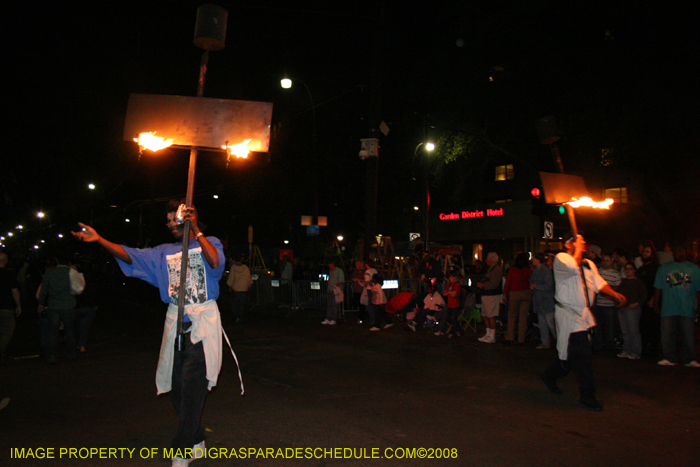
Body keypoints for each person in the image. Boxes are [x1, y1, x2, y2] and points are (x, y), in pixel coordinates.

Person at [73, 200, 226, 467]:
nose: (171, 225)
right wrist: (99, 239)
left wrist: (197, 231)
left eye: (176, 220)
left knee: (193, 384)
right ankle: (196, 435)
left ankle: (182, 449)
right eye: (168, 222)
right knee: (178, 386)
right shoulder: (162, 252)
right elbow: (129, 255)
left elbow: (215, 264)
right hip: (176, 323)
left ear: (190, 219)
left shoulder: (208, 242)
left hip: (203, 323)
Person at [540, 233, 626, 411]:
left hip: (582, 316)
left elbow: (599, 283)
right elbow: (573, 266)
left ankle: (549, 375)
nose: (583, 243)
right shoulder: (561, 259)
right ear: (568, 245)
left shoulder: (589, 264)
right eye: (578, 241)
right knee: (583, 356)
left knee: (570, 359)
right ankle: (587, 395)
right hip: (568, 316)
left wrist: (614, 294)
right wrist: (577, 247)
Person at [653, 245, 700, 367]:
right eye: (677, 251)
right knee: (667, 334)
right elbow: (658, 287)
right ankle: (669, 357)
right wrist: (656, 303)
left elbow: (697, 289)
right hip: (669, 307)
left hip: (687, 307)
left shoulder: (694, 269)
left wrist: (698, 305)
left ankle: (690, 359)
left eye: (681, 251)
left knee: (689, 335)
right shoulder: (664, 268)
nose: (679, 253)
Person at [37, 251, 77, 363]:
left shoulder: (50, 273)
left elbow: (44, 290)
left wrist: (41, 303)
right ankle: (71, 353)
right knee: (69, 330)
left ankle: (52, 355)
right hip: (68, 304)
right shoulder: (71, 272)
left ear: (57, 261)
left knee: (53, 332)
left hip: (54, 305)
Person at [615, 264, 648, 360]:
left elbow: (644, 295)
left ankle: (635, 352)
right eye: (626, 269)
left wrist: (637, 304)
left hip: (632, 309)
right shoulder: (623, 281)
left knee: (633, 331)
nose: (628, 271)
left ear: (634, 270)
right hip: (622, 308)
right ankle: (626, 350)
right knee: (625, 331)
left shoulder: (638, 282)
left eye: (630, 269)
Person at [592, 255, 621, 351]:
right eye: (603, 260)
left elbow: (617, 288)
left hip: (609, 305)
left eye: (607, 261)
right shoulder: (596, 272)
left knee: (610, 326)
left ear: (612, 262)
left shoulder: (615, 274)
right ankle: (598, 344)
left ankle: (609, 346)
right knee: (597, 326)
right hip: (597, 303)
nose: (605, 262)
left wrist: (607, 291)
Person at [503, 252, 532, 345]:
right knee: (523, 317)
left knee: (511, 316)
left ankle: (510, 337)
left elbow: (508, 282)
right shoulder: (529, 270)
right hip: (525, 292)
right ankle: (521, 339)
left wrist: (505, 294)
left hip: (514, 293)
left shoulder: (513, 270)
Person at [530, 252, 555, 349]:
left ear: (537, 259)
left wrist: (536, 286)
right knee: (543, 323)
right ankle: (545, 342)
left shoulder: (545, 270)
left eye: (534, 258)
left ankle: (560, 341)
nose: (532, 259)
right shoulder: (537, 270)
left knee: (550, 323)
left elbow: (549, 285)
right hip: (540, 301)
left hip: (546, 301)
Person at [476, 252, 503, 344]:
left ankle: (492, 335)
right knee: (485, 314)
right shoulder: (491, 269)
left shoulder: (496, 270)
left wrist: (483, 285)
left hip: (491, 295)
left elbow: (494, 284)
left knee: (491, 316)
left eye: (487, 258)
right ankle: (488, 334)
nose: (486, 260)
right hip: (486, 295)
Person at [0, 253, 22, 364]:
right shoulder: (9, 274)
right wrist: (18, 305)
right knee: (8, 330)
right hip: (6, 306)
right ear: (6, 261)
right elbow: (14, 291)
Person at [435, 272, 462, 337]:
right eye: (449, 277)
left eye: (451, 277)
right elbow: (444, 293)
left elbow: (454, 295)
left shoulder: (457, 285)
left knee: (454, 320)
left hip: (455, 305)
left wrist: (449, 293)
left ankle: (454, 332)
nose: (450, 279)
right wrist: (450, 293)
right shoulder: (449, 284)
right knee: (446, 318)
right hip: (449, 305)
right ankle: (443, 330)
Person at [227, 255, 253, 323]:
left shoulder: (233, 267)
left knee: (235, 303)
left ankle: (237, 317)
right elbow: (249, 277)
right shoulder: (245, 268)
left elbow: (231, 277)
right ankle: (241, 317)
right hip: (244, 288)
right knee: (242, 304)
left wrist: (230, 285)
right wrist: (249, 285)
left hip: (236, 289)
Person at [322, 260, 344, 325]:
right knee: (329, 304)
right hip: (330, 289)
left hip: (335, 290)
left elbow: (341, 280)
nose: (329, 265)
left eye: (330, 264)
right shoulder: (331, 271)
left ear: (333, 264)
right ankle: (329, 318)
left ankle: (333, 318)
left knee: (334, 304)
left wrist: (335, 286)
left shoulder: (339, 271)